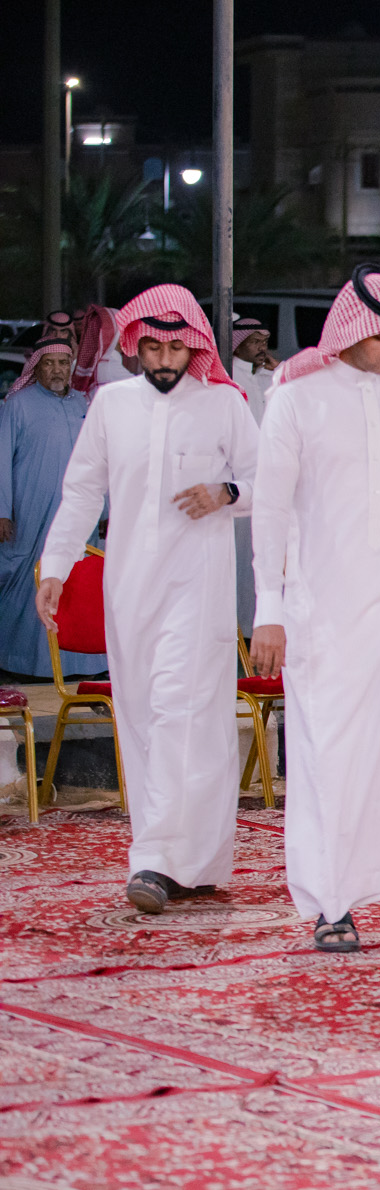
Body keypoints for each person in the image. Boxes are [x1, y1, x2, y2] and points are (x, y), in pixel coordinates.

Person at [248, 267, 380, 952]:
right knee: (331, 749)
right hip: (324, 605)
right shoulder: (295, 398)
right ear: (353, 329)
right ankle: (331, 900)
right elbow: (270, 511)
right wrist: (269, 607)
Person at [38, 286, 260, 913]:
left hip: (198, 588)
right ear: (135, 343)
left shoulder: (223, 403)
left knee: (177, 714)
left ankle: (156, 863)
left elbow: (268, 478)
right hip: (130, 589)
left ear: (194, 347)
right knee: (143, 720)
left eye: (175, 348)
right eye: (153, 347)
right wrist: (56, 565)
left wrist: (227, 493)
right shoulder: (112, 405)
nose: (164, 359)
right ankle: (194, 862)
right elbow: (83, 490)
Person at [0, 340, 101, 679]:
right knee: (32, 579)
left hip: (80, 513)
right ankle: (24, 662)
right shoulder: (18, 404)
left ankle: (80, 663)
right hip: (30, 510)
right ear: (37, 367)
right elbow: (1, 460)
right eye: (49, 363)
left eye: (63, 363)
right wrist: (2, 511)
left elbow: (99, 460)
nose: (57, 370)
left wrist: (106, 510)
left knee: (76, 579)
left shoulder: (82, 403)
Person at [229, 317, 281, 635]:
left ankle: (252, 628)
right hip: (240, 482)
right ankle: (236, 628)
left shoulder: (264, 378)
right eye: (255, 342)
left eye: (265, 342)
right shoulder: (229, 377)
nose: (262, 348)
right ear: (238, 344)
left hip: (267, 480)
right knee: (237, 558)